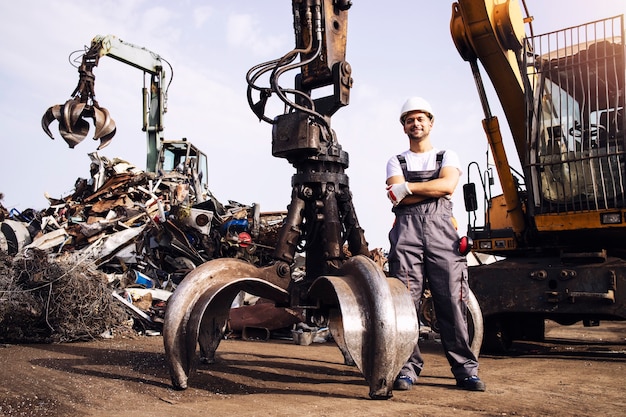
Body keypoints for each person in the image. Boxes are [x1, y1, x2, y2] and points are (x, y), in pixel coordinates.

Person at [385, 97, 485, 392]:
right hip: (406, 233)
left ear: (430, 123)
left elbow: (447, 186)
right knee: (405, 304)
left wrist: (409, 188)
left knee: (452, 302)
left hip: (443, 233)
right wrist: (423, 191)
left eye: (420, 119)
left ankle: (466, 370)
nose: (415, 124)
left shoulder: (447, 156)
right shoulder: (396, 160)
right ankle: (406, 368)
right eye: (409, 120)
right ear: (403, 127)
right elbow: (396, 196)